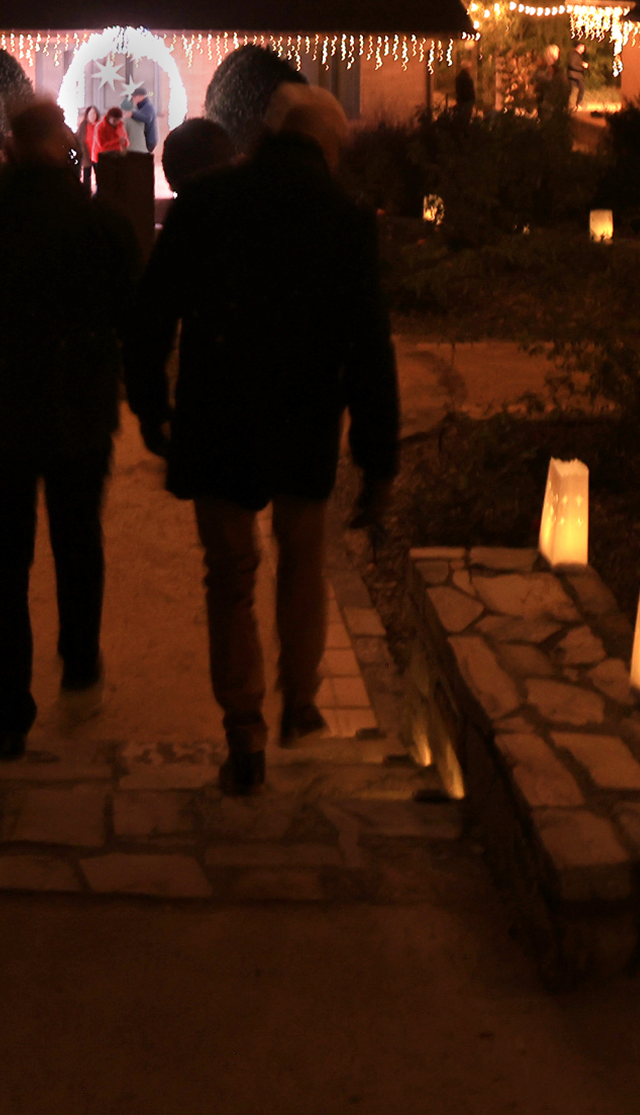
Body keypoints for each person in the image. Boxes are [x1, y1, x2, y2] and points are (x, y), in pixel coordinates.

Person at [124, 82, 401, 794]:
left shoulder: (208, 201)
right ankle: (301, 702)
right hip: (305, 413)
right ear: (324, 143)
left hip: (218, 410)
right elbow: (370, 344)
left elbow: (153, 310)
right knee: (305, 561)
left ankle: (243, 728)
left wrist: (152, 403)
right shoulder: (344, 218)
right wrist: (376, 457)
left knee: (230, 574)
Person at [0, 98, 142, 759]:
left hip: (0, 413)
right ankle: (80, 669)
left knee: (2, 560)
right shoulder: (106, 228)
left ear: (11, 146)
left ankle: (10, 708)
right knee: (79, 541)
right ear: (65, 143)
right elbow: (136, 318)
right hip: (80, 408)